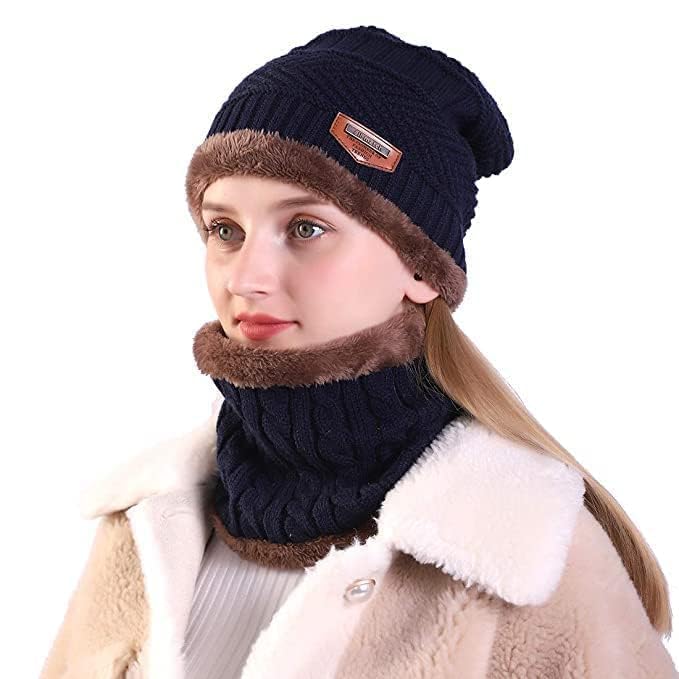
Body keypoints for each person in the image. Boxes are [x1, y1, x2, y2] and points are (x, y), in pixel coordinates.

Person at [40, 25, 678, 679]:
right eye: (224, 230)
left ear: (421, 266)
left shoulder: (525, 550)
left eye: (305, 227)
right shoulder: (142, 529)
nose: (246, 277)